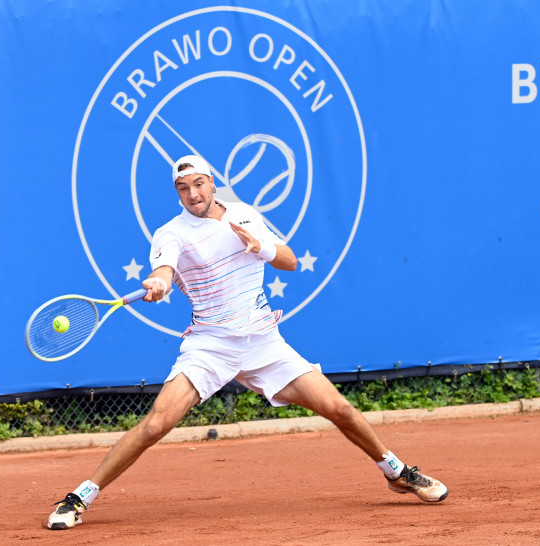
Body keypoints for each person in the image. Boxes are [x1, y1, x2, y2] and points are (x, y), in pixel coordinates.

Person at [47, 155, 448, 530]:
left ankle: (396, 473)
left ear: (213, 183)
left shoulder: (243, 216)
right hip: (210, 347)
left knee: (338, 407)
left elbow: (289, 260)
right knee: (156, 424)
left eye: (199, 184)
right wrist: (159, 281)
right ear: (177, 193)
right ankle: (80, 497)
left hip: (262, 343)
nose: (193, 195)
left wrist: (262, 246)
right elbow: (165, 269)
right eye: (183, 188)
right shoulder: (171, 233)